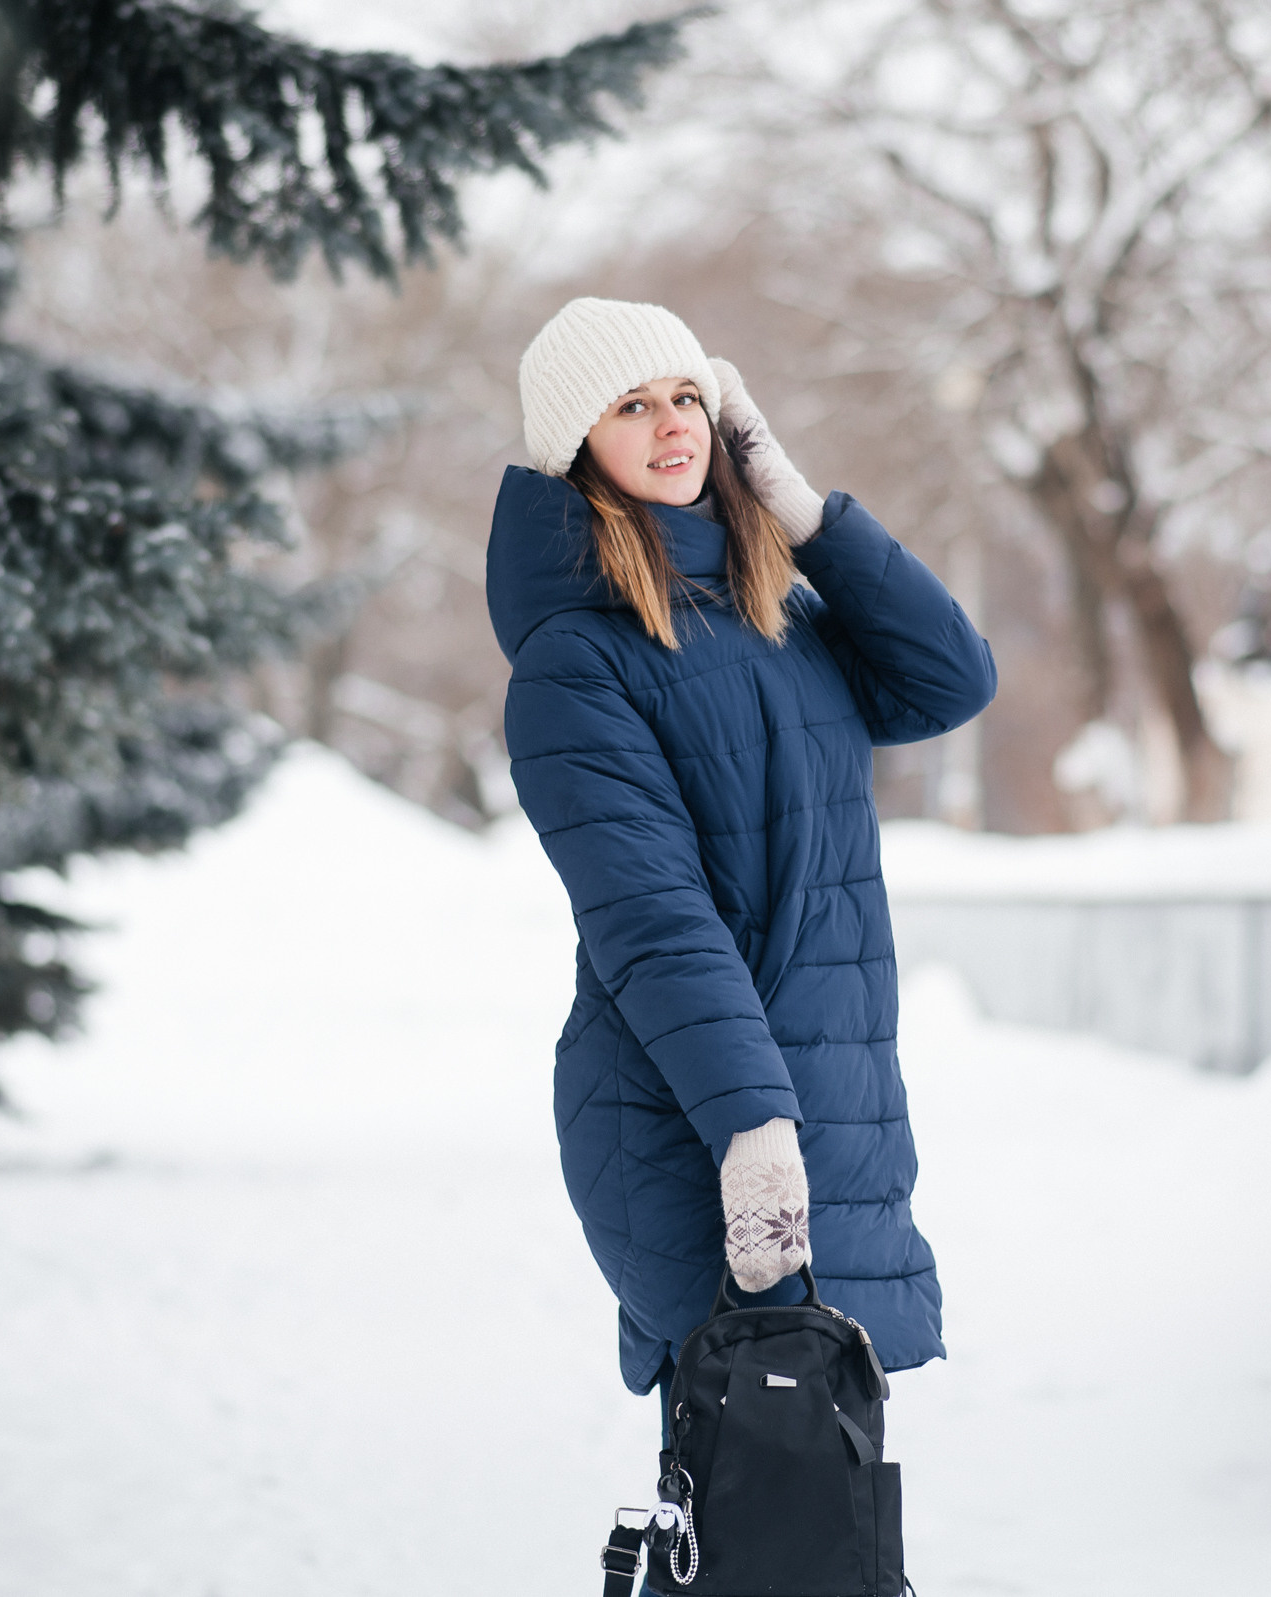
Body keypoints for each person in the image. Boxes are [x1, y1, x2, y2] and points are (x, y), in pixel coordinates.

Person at [488, 297, 996, 1447]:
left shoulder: (783, 611)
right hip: (702, 1122)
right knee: (764, 1515)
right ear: (579, 448)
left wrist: (806, 511)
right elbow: (653, 920)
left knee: (821, 1525)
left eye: (688, 400)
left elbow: (952, 679)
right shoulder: (575, 662)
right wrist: (755, 1134)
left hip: (828, 1109)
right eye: (632, 407)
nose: (673, 428)